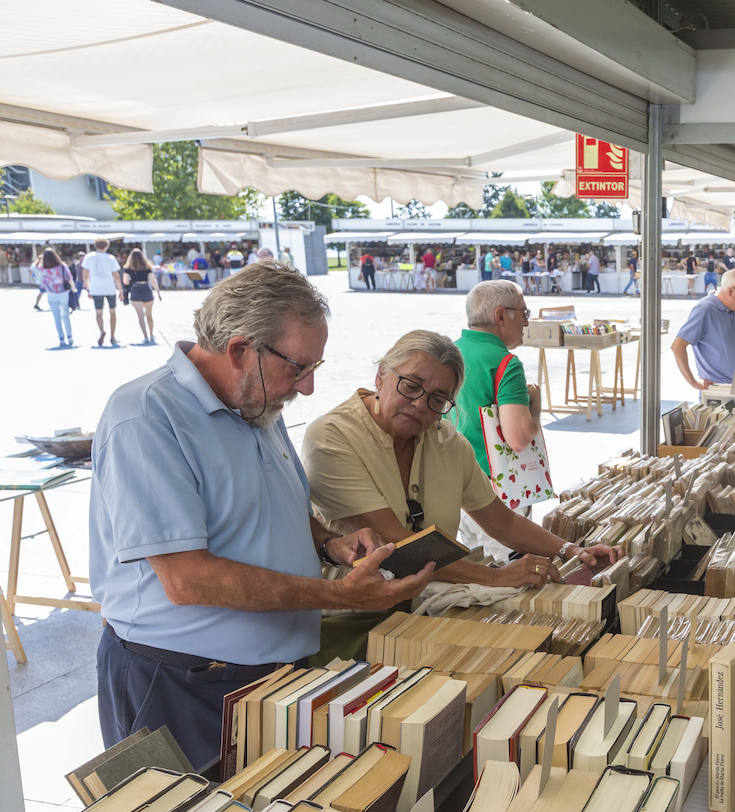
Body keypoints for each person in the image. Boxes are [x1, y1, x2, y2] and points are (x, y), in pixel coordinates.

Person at [89, 261, 433, 769]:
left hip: (269, 671)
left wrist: (326, 543)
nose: (309, 387)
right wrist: (338, 595)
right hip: (181, 681)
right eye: (299, 368)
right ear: (239, 349)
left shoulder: (254, 401)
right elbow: (188, 580)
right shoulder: (146, 416)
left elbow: (277, 505)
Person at [304, 327, 620, 592]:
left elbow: (503, 521)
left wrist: (570, 550)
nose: (419, 405)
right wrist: (497, 577)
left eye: (438, 399)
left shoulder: (447, 441)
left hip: (429, 602)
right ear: (381, 376)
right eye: (411, 386)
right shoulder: (332, 437)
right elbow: (396, 543)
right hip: (360, 613)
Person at [444, 281, 544, 555]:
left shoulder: (448, 353)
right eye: (523, 313)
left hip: (455, 485)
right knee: (508, 575)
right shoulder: (505, 363)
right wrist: (534, 407)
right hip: (498, 491)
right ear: (500, 315)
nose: (526, 322)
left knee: (481, 569)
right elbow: (518, 438)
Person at [31, 248, 76, 347]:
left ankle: (61, 339)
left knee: (56, 318)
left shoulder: (42, 268)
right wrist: (73, 289)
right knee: (65, 315)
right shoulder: (62, 266)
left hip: (51, 293)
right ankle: (70, 337)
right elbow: (70, 279)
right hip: (63, 292)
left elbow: (40, 277)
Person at [122, 248, 162, 345]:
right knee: (149, 315)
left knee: (140, 316)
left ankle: (145, 337)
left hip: (135, 290)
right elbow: (153, 281)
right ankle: (152, 335)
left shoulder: (128, 269)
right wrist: (158, 292)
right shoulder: (147, 267)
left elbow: (125, 282)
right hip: (146, 290)